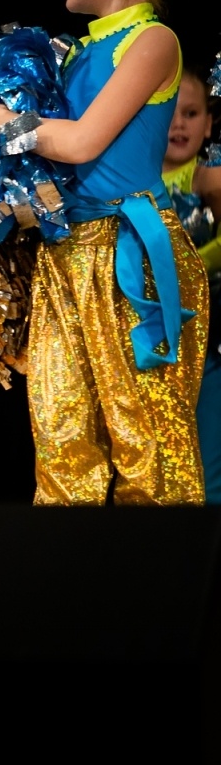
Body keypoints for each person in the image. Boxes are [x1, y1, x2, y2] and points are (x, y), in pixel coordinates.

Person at [0, 0, 208, 504]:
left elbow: (83, 142)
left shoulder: (153, 41)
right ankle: (69, 590)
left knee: (149, 445)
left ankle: (163, 592)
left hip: (130, 258)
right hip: (65, 260)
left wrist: (5, 123)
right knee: (62, 444)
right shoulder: (80, 51)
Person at [159, 60, 221, 501]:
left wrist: (188, 266)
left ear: (209, 123)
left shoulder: (208, 178)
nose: (179, 124)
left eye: (191, 113)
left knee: (207, 470)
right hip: (148, 347)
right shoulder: (133, 183)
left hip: (206, 346)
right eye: (169, 112)